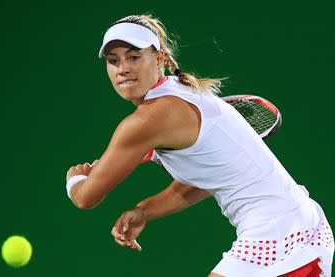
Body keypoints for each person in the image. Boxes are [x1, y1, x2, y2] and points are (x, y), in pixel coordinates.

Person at [65, 14, 334, 276]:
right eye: (114, 61)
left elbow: (87, 198)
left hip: (280, 237)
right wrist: (144, 210)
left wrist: (76, 181)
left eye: (134, 57)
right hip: (303, 227)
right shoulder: (183, 92)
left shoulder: (147, 119)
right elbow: (208, 179)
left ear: (158, 58)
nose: (123, 68)